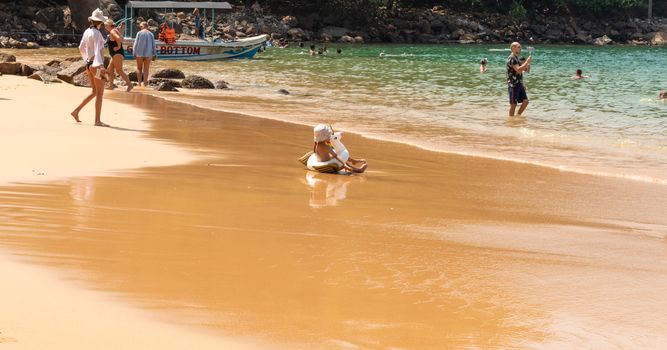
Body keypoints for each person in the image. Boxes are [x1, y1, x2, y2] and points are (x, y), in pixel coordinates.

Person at [71, 8, 110, 127]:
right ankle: (97, 121)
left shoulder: (87, 31)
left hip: (89, 65)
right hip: (96, 66)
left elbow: (81, 47)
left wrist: (87, 59)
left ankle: (76, 111)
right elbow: (99, 52)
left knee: (94, 92)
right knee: (99, 94)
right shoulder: (98, 34)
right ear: (100, 22)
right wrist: (102, 66)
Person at [104, 19, 132, 92]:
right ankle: (110, 86)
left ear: (109, 25)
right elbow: (119, 36)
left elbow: (119, 38)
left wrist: (119, 46)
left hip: (117, 54)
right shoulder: (115, 30)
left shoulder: (113, 31)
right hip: (115, 54)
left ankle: (130, 85)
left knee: (119, 71)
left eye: (105, 25)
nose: (105, 27)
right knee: (110, 68)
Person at [506, 42, 532, 117]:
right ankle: (511, 119)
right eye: (519, 47)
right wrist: (527, 62)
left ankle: (517, 116)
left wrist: (528, 63)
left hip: (519, 83)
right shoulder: (512, 58)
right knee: (513, 104)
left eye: (520, 47)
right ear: (513, 48)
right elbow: (518, 70)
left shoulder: (517, 58)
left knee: (525, 101)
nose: (520, 48)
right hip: (513, 84)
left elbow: (525, 71)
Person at [133, 21, 157, 87]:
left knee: (139, 68)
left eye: (140, 26)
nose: (140, 28)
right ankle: (145, 84)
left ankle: (139, 84)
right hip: (148, 53)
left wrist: (134, 52)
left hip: (139, 53)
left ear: (144, 26)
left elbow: (135, 43)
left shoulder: (139, 33)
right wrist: (155, 53)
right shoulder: (151, 34)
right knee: (146, 69)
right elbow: (153, 45)